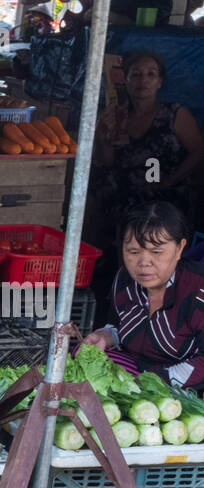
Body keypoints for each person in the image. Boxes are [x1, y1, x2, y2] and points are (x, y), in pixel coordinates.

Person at [81, 202, 204, 387]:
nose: (144, 262)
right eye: (133, 251)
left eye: (156, 252)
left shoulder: (197, 290)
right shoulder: (124, 279)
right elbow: (116, 324)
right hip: (137, 371)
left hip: (185, 385)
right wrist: (106, 336)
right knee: (82, 355)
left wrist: (153, 382)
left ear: (179, 249)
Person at [95, 50, 203, 227]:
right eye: (135, 74)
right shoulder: (117, 116)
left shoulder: (174, 113)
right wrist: (103, 136)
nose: (143, 80)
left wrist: (170, 181)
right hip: (124, 196)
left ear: (160, 82)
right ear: (125, 80)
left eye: (151, 74)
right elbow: (106, 163)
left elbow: (199, 151)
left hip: (167, 195)